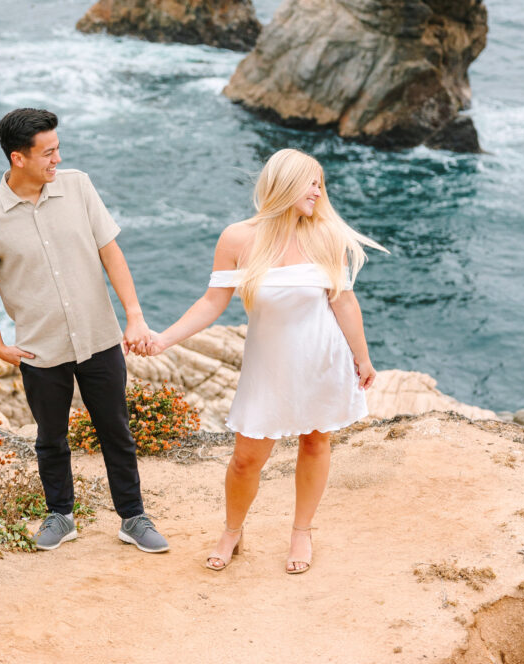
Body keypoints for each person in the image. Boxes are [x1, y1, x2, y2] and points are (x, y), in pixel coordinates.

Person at [141, 148, 385, 574]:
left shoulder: (325, 235)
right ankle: (233, 530)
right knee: (245, 460)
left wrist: (362, 358)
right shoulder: (238, 238)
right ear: (285, 183)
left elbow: (344, 302)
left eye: (319, 183)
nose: (318, 191)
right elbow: (211, 302)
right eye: (310, 182)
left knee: (315, 442)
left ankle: (301, 532)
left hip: (321, 360)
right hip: (268, 367)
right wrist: (163, 340)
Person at [0, 107, 167, 553]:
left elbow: (110, 252)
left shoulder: (78, 186)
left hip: (98, 336)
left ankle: (132, 518)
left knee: (116, 429)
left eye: (58, 149)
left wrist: (134, 315)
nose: (58, 159)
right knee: (50, 438)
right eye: (48, 153)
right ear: (19, 158)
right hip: (40, 349)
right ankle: (61, 515)